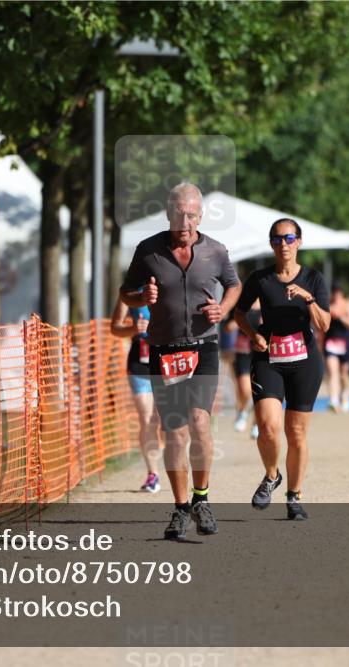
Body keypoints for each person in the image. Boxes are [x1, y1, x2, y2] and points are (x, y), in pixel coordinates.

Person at [120, 183, 240, 539]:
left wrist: (224, 309)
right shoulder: (148, 250)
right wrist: (140, 294)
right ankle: (180, 507)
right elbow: (125, 294)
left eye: (191, 214)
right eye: (178, 214)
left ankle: (202, 499)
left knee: (200, 423)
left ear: (200, 216)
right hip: (165, 349)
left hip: (202, 347)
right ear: (169, 214)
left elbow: (234, 286)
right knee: (174, 433)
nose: (184, 221)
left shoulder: (216, 251)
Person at [234, 219, 330, 521]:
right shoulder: (260, 278)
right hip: (269, 359)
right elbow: (238, 312)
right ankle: (272, 475)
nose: (283, 244)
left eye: (289, 238)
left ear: (299, 242)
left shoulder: (313, 279)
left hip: (305, 362)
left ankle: (294, 495)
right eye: (277, 239)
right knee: (268, 427)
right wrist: (253, 335)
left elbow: (324, 324)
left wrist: (308, 298)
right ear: (271, 244)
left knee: (297, 433)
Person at [110, 301, 162, 493]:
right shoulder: (130, 293)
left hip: (167, 362)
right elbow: (115, 328)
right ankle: (153, 474)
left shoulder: (172, 283)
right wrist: (133, 328)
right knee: (147, 420)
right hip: (140, 364)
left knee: (169, 421)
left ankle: (180, 467)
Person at [231, 300, 261, 438]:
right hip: (243, 351)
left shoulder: (269, 302)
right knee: (245, 389)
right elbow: (227, 326)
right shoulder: (242, 304)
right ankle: (242, 411)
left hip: (261, 351)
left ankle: (256, 424)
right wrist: (234, 324)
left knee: (261, 391)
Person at [323, 285, 349, 412]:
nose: (336, 294)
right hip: (330, 342)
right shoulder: (328, 304)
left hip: (344, 343)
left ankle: (345, 395)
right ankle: (333, 399)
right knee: (332, 370)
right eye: (335, 291)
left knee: (344, 373)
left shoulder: (348, 304)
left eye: (339, 291)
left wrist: (341, 317)